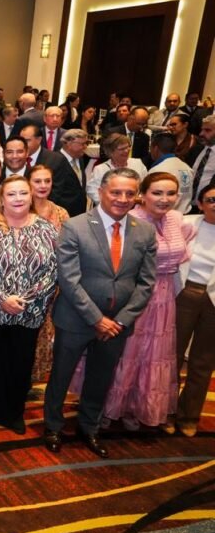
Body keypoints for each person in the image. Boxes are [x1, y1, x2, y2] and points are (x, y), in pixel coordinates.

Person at [43, 168, 157, 458]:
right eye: (116, 192)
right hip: (76, 319)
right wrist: (96, 319)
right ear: (101, 192)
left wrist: (121, 320)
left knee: (101, 377)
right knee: (61, 375)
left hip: (118, 324)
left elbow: (146, 282)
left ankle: (89, 427)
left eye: (130, 193)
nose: (122, 198)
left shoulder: (144, 231)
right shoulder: (75, 226)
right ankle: (53, 426)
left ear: (137, 197)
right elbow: (68, 279)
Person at [0, 176, 58, 433]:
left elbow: (52, 271)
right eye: (12, 194)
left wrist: (23, 300)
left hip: (27, 313)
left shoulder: (46, 230)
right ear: (2, 199)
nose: (18, 199)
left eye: (23, 194)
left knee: (17, 363)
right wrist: (0, 298)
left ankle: (11, 412)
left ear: (31, 197)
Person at [102, 172, 191, 431]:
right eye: (157, 193)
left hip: (166, 295)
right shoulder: (131, 221)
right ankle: (110, 408)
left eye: (171, 194)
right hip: (135, 294)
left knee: (153, 356)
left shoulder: (177, 220)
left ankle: (137, 408)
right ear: (143, 194)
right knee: (126, 354)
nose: (164, 199)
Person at [174, 180, 215, 437]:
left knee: (204, 360)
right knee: (173, 355)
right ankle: (165, 411)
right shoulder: (185, 224)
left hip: (213, 300)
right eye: (211, 200)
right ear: (200, 203)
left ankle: (188, 415)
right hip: (184, 293)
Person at [26, 165, 72, 385]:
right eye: (37, 181)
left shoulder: (61, 213)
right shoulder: (21, 209)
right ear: (28, 183)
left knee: (47, 330)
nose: (43, 186)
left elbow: (68, 250)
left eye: (47, 181)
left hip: (53, 284)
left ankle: (34, 377)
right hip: (24, 284)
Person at [86, 134, 148, 206]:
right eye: (122, 149)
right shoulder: (100, 169)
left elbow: (146, 185)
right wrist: (108, 203)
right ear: (110, 152)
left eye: (128, 147)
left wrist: (137, 199)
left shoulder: (138, 163)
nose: (126, 151)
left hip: (135, 206)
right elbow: (92, 190)